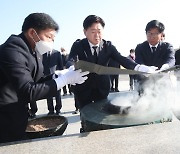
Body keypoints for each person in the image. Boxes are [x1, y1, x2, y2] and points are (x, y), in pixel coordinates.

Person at [0, 13, 89, 143]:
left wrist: (58, 75)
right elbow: (28, 91)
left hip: (17, 114)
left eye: (53, 39)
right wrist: (64, 80)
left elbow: (36, 81)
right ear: (32, 32)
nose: (51, 42)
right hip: (5, 117)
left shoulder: (33, 51)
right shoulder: (13, 50)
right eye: (48, 37)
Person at [67, 15, 157, 111]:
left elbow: (122, 59)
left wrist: (139, 67)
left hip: (102, 88)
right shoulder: (78, 45)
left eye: (99, 31)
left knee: (101, 114)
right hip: (83, 88)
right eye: (93, 32)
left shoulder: (108, 46)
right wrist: (71, 69)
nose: (97, 36)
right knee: (85, 115)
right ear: (85, 32)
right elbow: (70, 60)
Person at [135, 20, 175, 93]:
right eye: (149, 33)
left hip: (163, 85)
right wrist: (144, 69)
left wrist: (166, 66)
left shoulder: (167, 47)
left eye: (155, 34)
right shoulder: (140, 47)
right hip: (145, 85)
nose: (152, 37)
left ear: (161, 35)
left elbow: (171, 59)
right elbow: (138, 61)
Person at [42, 49, 63, 115]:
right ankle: (51, 110)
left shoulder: (57, 53)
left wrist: (61, 75)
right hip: (46, 76)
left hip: (56, 76)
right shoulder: (42, 53)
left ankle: (58, 109)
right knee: (48, 94)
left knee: (58, 94)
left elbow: (60, 65)